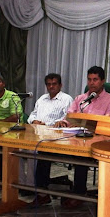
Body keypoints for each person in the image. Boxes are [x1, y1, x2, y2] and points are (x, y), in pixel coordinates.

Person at [56, 66, 110, 208]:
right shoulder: (80, 99)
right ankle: (42, 192)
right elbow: (71, 116)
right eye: (89, 79)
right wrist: (64, 122)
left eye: (95, 80)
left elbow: (107, 125)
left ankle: (79, 194)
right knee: (44, 150)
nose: (92, 83)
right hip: (75, 139)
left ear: (102, 81)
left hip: (96, 142)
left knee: (80, 156)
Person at [26, 73, 73, 205]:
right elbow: (32, 114)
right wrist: (34, 120)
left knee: (42, 154)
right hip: (38, 135)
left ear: (60, 85)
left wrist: (49, 124)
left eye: (54, 84)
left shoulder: (66, 99)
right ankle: (30, 187)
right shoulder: (41, 99)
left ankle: (42, 193)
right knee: (21, 150)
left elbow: (67, 118)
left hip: (56, 138)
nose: (51, 87)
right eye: (49, 84)